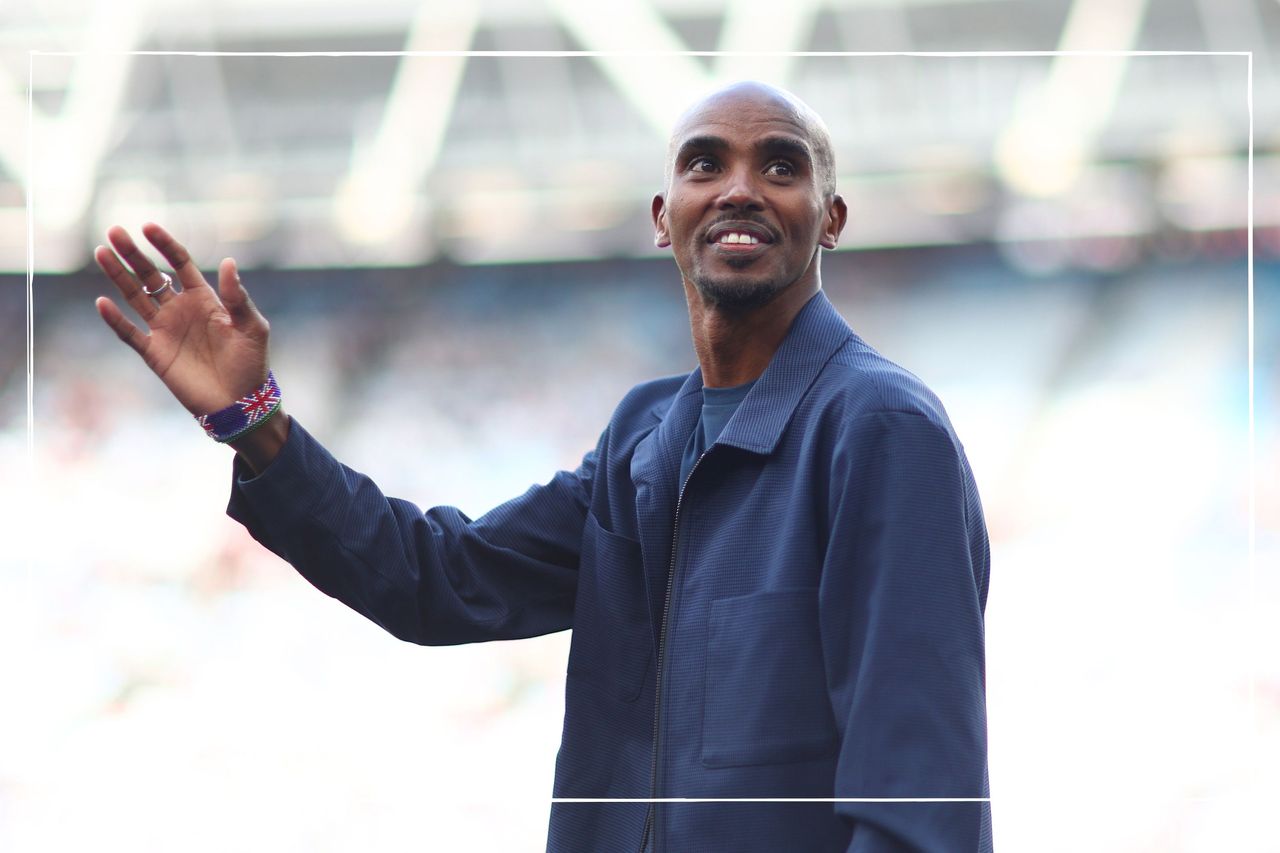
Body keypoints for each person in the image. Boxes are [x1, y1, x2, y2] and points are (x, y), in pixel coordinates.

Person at [95, 81, 992, 852]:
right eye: (704, 164)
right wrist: (253, 422)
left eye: (783, 167)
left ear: (831, 218)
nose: (740, 190)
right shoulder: (646, 438)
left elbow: (922, 804)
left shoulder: (879, 429)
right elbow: (441, 579)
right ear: (662, 216)